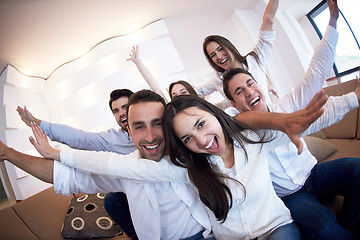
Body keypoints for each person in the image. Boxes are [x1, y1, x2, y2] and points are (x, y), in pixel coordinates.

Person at [27, 89, 330, 239]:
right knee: (113, 200)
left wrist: (352, 97)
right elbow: (109, 164)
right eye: (188, 137)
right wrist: (56, 153)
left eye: (157, 125)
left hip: (271, 226)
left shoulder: (239, 144)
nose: (201, 140)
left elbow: (247, 122)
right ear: (126, 129)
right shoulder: (178, 166)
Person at [222, 0, 360, 238]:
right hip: (290, 196)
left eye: (250, 83)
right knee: (324, 227)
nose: (249, 92)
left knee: (357, 169)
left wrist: (333, 22)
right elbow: (229, 120)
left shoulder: (284, 106)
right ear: (233, 104)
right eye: (238, 91)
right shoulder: (237, 132)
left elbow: (316, 74)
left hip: (315, 174)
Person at [3, 90, 215, 240]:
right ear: (128, 131)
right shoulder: (124, 165)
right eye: (139, 127)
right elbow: (66, 175)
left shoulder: (191, 150)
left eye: (157, 124)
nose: (150, 137)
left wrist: (56, 153)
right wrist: (9, 153)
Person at [17, 89, 138, 238]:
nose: (121, 113)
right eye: (116, 111)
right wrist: (38, 124)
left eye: (125, 107)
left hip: (160, 186)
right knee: (112, 200)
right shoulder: (114, 138)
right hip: (133, 190)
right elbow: (81, 138)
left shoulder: (157, 126)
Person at [198, 0, 279, 108]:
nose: (219, 56)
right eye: (212, 55)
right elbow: (196, 91)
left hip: (272, 115)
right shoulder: (217, 79)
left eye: (220, 49)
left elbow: (268, 20)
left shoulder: (254, 59)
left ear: (229, 47)